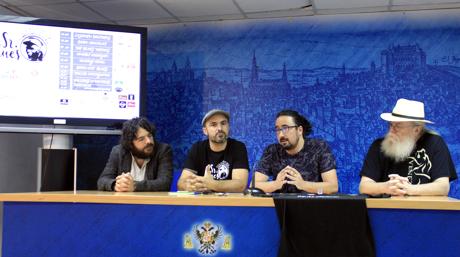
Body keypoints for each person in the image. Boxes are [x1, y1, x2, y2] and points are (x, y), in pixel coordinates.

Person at [359, 98, 457, 196]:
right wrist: (387, 187)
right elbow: (364, 186)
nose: (391, 130)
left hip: (424, 209)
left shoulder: (435, 143)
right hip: (386, 209)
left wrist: (408, 189)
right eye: (391, 125)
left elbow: (443, 187)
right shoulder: (379, 145)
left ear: (417, 130)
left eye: (398, 126)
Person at [254, 110, 338, 194]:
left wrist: (303, 185)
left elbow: (332, 187)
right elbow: (254, 186)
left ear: (300, 130)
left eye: (285, 128)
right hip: (281, 205)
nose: (281, 135)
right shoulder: (272, 151)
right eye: (278, 130)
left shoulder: (319, 147)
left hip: (313, 205)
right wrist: (275, 185)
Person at [177, 109, 249, 192]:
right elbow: (181, 183)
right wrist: (189, 186)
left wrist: (211, 184)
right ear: (205, 131)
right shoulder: (197, 148)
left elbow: (240, 185)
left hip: (230, 202)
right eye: (213, 125)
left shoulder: (238, 147)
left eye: (223, 123)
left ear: (228, 126)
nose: (219, 128)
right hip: (203, 202)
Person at [97, 117, 173, 192]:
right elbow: (102, 181)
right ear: (130, 144)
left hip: (153, 202)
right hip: (124, 202)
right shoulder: (118, 151)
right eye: (141, 139)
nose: (149, 141)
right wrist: (116, 185)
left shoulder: (163, 150)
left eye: (150, 136)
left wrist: (135, 186)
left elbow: (165, 183)